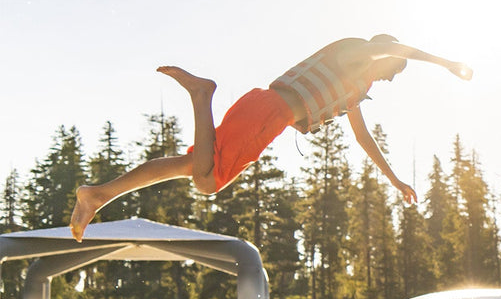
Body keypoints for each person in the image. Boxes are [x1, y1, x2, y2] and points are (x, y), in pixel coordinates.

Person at [69, 34, 473, 241]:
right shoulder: (358, 55)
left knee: (191, 164)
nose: (391, 76)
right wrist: (444, 62)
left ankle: (100, 194)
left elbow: (364, 140)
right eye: (395, 69)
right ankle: (201, 94)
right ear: (386, 54)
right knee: (207, 182)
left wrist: (395, 180)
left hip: (263, 109)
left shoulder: (352, 85)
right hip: (270, 113)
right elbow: (389, 47)